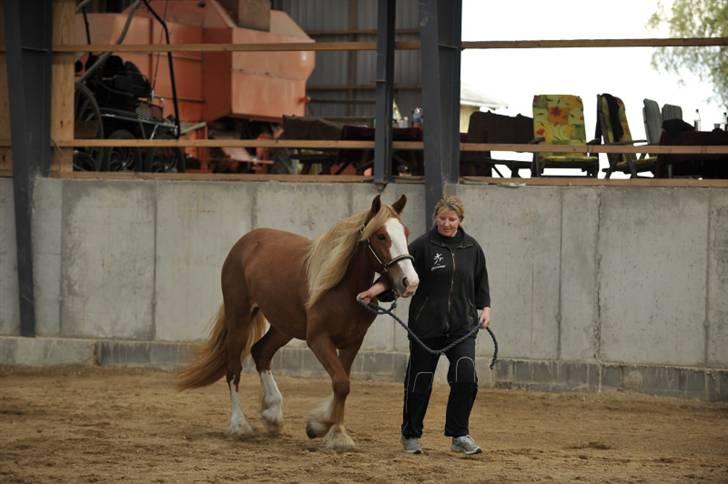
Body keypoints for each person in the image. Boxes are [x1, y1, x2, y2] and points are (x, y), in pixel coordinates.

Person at [357, 195, 491, 455]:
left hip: (462, 327)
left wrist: (485, 309)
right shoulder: (421, 246)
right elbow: (395, 275)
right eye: (442, 219)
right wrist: (373, 291)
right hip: (426, 327)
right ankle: (410, 434)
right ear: (435, 219)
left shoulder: (472, 248)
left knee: (466, 377)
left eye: (452, 219)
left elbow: (480, 282)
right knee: (419, 381)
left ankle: (459, 435)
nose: (447, 224)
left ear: (460, 220)